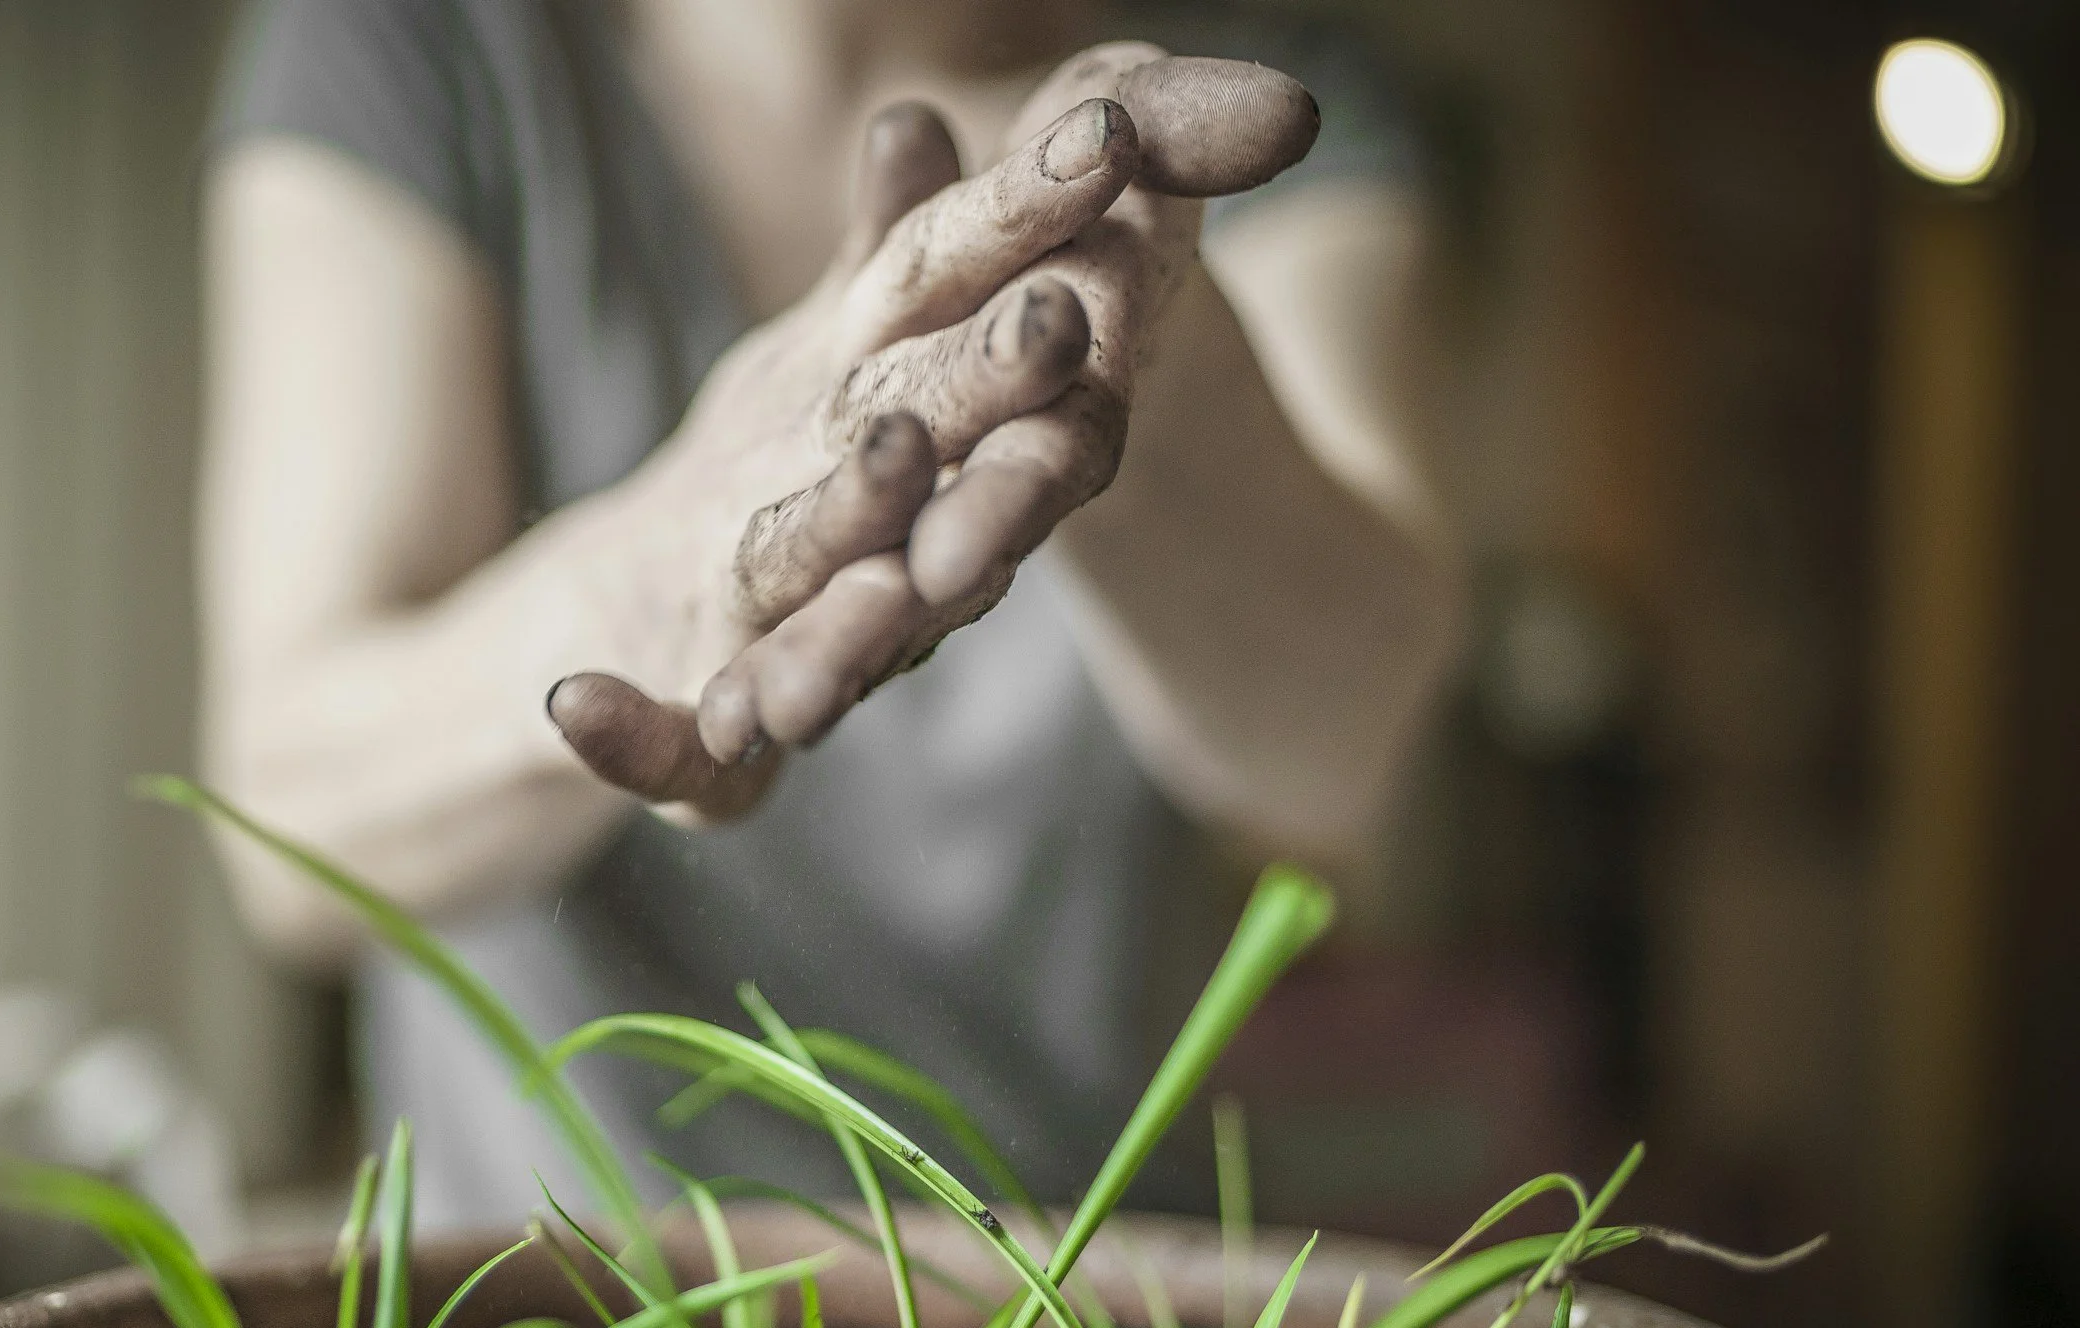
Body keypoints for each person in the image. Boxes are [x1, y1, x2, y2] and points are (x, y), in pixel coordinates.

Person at [201, 0, 1457, 1227]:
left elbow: (1347, 753)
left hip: (1078, 1303)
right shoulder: (422, 41)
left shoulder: (1273, 63)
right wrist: (655, 582)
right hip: (551, 1301)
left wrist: (1141, 364)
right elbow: (287, 818)